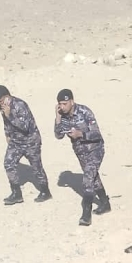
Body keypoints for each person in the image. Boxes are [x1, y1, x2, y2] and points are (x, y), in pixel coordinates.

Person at [53, 88, 111, 225]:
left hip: (95, 149)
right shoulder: (62, 116)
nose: (62, 107)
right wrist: (58, 118)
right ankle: (105, 203)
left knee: (87, 179)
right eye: (60, 104)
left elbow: (97, 134)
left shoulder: (85, 112)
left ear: (72, 102)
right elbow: (58, 135)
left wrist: (80, 134)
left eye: (65, 103)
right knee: (93, 179)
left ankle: (86, 213)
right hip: (81, 153)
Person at [0, 85, 52, 205]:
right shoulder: (3, 107)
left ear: (7, 97)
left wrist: (9, 115)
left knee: (36, 167)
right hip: (16, 142)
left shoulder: (20, 105)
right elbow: (6, 123)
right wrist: (7, 134)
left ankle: (45, 192)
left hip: (30, 142)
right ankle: (16, 194)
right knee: (8, 163)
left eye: (0, 100)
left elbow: (25, 126)